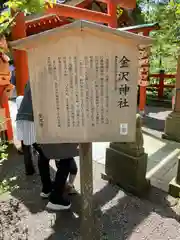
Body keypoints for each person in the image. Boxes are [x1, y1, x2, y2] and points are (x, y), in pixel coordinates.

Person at [16, 81, 78, 210]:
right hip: (39, 121)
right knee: (66, 156)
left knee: (44, 154)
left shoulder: (37, 69)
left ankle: (47, 189)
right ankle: (56, 198)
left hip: (28, 121)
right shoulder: (50, 71)